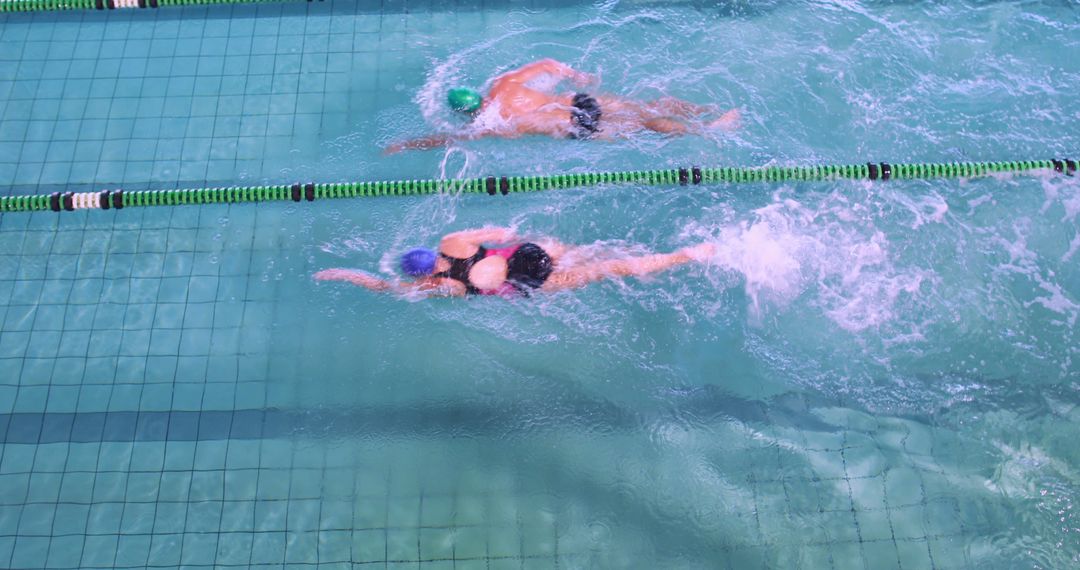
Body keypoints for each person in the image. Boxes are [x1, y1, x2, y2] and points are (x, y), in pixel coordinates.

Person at [385, 58, 740, 153]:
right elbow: (548, 64)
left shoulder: (492, 124)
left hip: (574, 127)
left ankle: (706, 131)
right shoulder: (503, 84)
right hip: (579, 100)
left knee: (642, 125)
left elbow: (453, 140)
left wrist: (407, 144)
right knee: (649, 106)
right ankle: (705, 109)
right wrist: (577, 75)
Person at [313, 227, 716, 298]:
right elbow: (501, 232)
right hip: (528, 254)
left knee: (607, 271)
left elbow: (387, 289)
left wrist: (345, 274)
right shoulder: (452, 243)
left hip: (526, 283)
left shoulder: (442, 287)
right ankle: (684, 250)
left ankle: (685, 257)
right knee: (593, 254)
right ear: (432, 255)